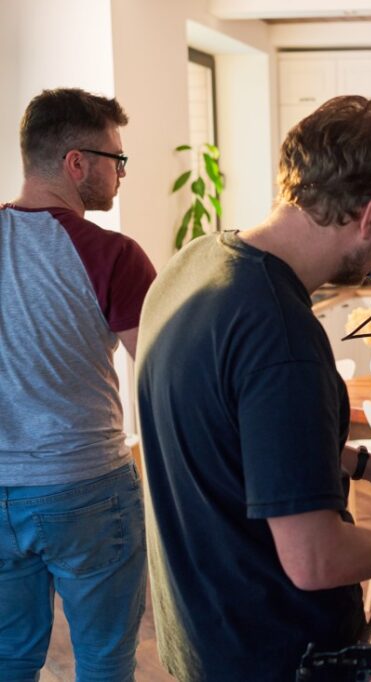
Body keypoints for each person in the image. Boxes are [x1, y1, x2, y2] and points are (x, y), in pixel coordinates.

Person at [135, 96, 371, 681]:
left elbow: (233, 434)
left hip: (202, 640)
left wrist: (363, 464)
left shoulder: (191, 266)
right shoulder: (281, 334)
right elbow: (315, 560)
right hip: (278, 654)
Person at [0, 88, 155, 680]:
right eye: (117, 159)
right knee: (104, 662)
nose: (120, 174)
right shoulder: (112, 255)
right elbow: (161, 375)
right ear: (76, 163)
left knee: (10, 660)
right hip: (84, 487)